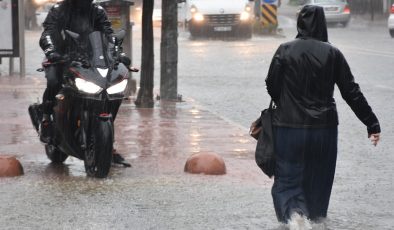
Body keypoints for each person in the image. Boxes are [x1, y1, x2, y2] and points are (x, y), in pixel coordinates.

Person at [265, 5, 381, 228]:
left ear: (299, 23)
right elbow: (351, 92)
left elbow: (272, 85)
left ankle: (294, 218)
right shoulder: (333, 53)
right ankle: (315, 221)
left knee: (288, 179)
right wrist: (371, 122)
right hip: (324, 131)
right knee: (319, 182)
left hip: (289, 129)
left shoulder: (284, 50)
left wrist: (287, 102)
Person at [39, 0, 131, 167]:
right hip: (62, 58)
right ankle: (46, 119)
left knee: (109, 88)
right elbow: (48, 33)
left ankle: (107, 144)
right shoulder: (59, 10)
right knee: (54, 81)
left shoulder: (97, 11)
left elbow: (109, 35)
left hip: (90, 61)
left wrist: (117, 53)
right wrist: (51, 51)